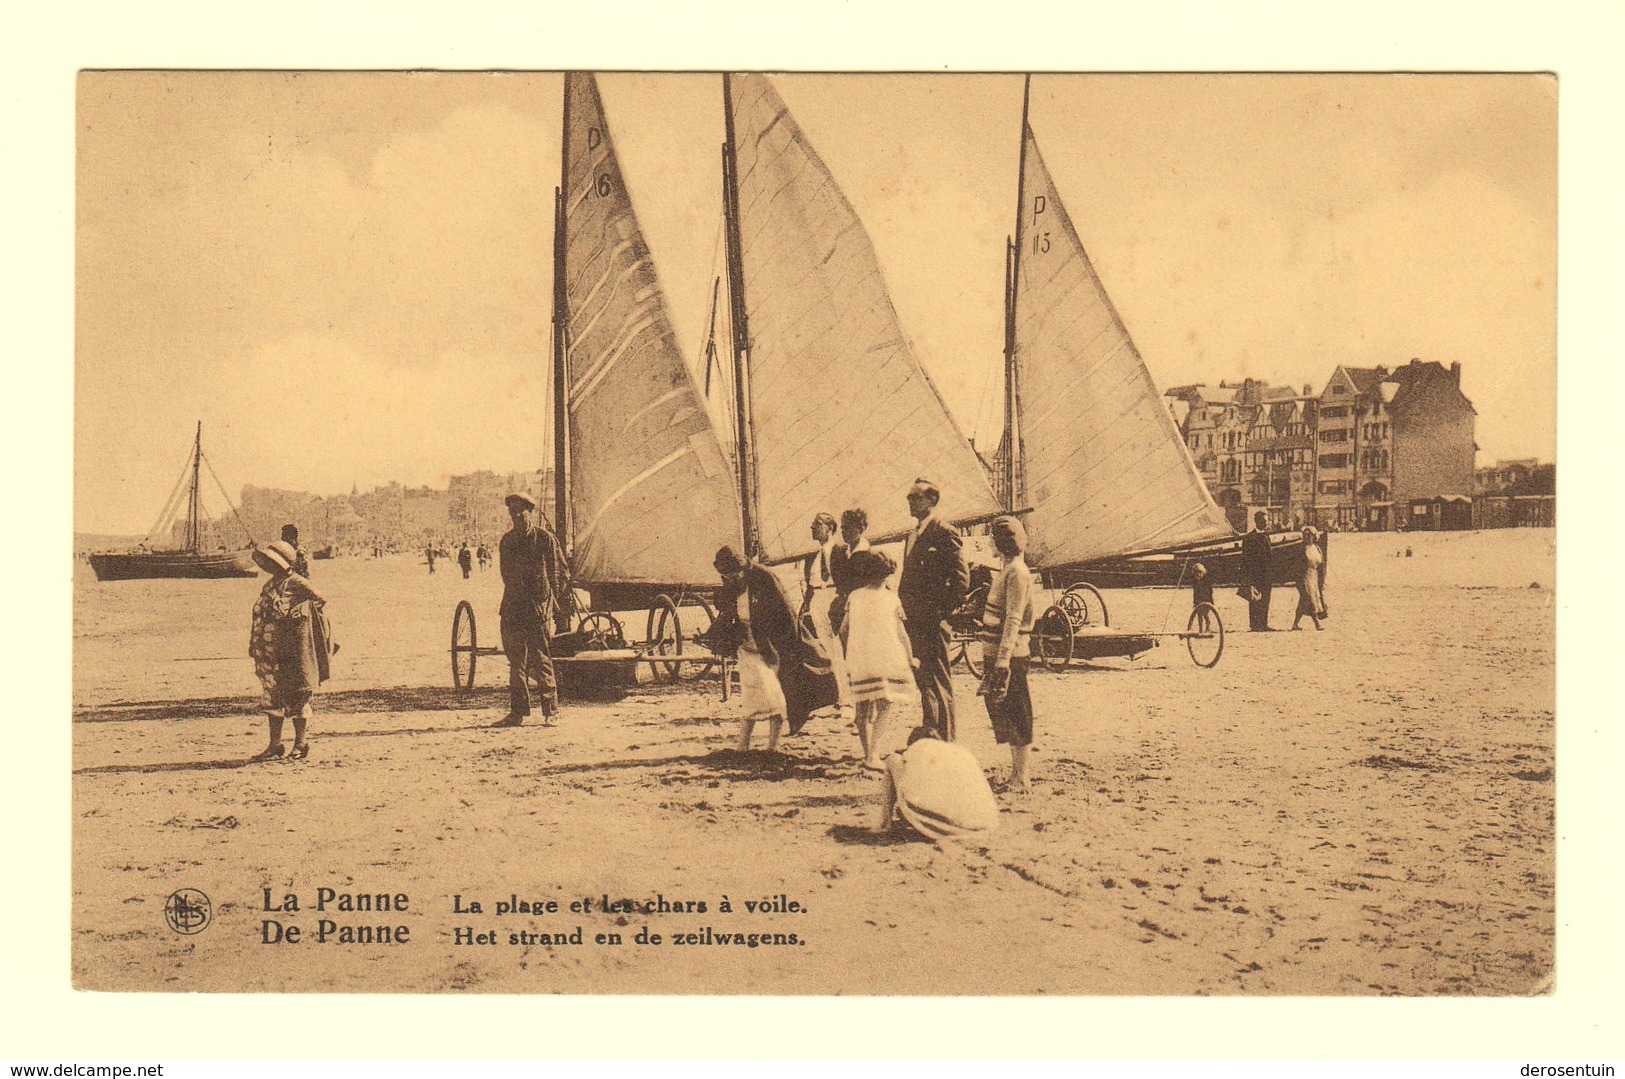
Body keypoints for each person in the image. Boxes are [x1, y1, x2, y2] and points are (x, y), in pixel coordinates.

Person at [703, 546, 838, 753]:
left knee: (773, 697)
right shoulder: (731, 582)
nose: (731, 580)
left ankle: (770, 747)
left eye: (733, 575)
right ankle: (745, 746)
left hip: (770, 647)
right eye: (726, 577)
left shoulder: (764, 578)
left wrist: (785, 647)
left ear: (742, 567)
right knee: (751, 696)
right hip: (746, 647)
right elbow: (729, 611)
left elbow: (786, 613)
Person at [897, 479, 968, 741]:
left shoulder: (944, 532)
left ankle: (947, 738)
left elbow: (961, 580)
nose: (910, 502)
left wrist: (940, 614)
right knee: (923, 678)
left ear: (932, 500)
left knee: (939, 680)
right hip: (914, 621)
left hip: (933, 622)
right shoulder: (913, 534)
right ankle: (931, 729)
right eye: (909, 498)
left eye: (915, 498)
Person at [492, 493, 568, 728]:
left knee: (542, 659)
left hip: (538, 610)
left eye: (520, 512)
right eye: (512, 512)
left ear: (530, 512)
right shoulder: (507, 541)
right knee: (516, 663)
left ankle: (551, 711)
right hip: (513, 609)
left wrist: (553, 606)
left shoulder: (545, 539)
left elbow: (559, 574)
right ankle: (518, 712)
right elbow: (506, 576)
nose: (516, 516)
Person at [248, 540, 327, 761]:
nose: (270, 566)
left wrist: (298, 616)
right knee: (273, 697)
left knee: (297, 695)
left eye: (274, 562)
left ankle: (301, 744)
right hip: (269, 652)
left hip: (291, 650)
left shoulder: (296, 582)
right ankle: (275, 745)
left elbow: (320, 599)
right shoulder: (271, 585)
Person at [977, 516, 1038, 792]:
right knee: (1003, 712)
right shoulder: (1006, 570)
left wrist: (1003, 660)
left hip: (1011, 657)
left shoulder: (1017, 573)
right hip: (998, 655)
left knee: (1017, 712)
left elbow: (1013, 619)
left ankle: (1021, 775)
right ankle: (1015, 771)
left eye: (994, 538)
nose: (991, 542)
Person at [839, 549, 915, 770]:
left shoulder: (855, 596)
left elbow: (843, 630)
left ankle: (867, 754)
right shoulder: (892, 598)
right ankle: (873, 753)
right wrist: (910, 657)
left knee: (862, 709)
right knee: (885, 705)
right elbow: (901, 634)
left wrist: (851, 652)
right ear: (887, 574)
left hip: (859, 659)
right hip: (884, 658)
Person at [873, 727, 1000, 841]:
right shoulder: (959, 752)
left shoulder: (916, 751)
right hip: (984, 823)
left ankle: (885, 822)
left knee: (892, 760)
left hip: (941, 825)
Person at [800, 512, 849, 719]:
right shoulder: (812, 557)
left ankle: (847, 700)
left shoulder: (842, 551)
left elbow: (847, 580)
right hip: (818, 601)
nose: (812, 527)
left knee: (840, 650)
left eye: (817, 524)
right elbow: (810, 586)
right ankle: (837, 698)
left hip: (835, 598)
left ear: (830, 528)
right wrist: (804, 608)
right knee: (828, 651)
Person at [827, 507, 870, 635]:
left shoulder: (868, 555)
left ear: (860, 529)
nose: (844, 532)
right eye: (842, 528)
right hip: (846, 605)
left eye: (848, 528)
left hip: (861, 608)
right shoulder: (841, 553)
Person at [1239, 511, 1273, 632]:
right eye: (1263, 521)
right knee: (1254, 600)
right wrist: (1248, 577)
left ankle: (1264, 624)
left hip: (1266, 575)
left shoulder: (1266, 536)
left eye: (1266, 521)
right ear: (1257, 522)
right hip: (1255, 575)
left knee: (1265, 599)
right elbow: (1245, 559)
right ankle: (1254, 625)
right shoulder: (1249, 538)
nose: (1266, 523)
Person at [1292, 527, 1327, 631]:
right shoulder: (1301, 549)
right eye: (1305, 535)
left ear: (1314, 536)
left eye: (1309, 535)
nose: (1307, 537)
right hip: (1304, 577)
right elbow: (1296, 566)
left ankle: (1295, 624)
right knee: (1309, 599)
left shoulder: (1316, 548)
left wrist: (1322, 580)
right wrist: (1299, 580)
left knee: (1304, 601)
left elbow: (1322, 565)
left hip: (1314, 576)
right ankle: (1317, 624)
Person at [1190, 562, 1214, 632]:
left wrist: (1211, 602)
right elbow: (1195, 594)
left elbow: (1210, 593)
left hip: (1206, 601)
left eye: (1200, 574)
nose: (1198, 576)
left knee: (1205, 615)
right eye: (1196, 575)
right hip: (1198, 602)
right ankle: (1200, 629)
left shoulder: (1207, 583)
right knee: (1199, 616)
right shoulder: (1195, 584)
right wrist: (1194, 602)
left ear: (1203, 573)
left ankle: (1207, 628)